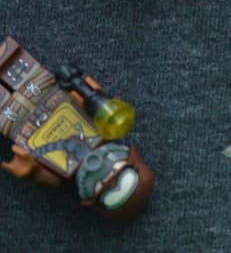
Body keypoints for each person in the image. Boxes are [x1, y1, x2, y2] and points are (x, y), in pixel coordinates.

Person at [0, 36, 154, 218]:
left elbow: (35, 171)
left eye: (101, 184)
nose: (99, 170)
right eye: (113, 171)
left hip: (17, 123)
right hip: (46, 91)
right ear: (130, 157)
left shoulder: (59, 176)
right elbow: (92, 93)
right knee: (16, 63)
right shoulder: (105, 126)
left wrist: (30, 168)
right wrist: (79, 84)